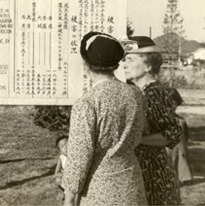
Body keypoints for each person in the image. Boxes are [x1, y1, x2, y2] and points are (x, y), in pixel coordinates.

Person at [61, 31, 147, 206]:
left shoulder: (87, 103)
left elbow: (79, 159)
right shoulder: (136, 94)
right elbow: (138, 135)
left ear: (86, 66)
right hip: (132, 185)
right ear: (115, 65)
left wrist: (69, 199)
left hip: (99, 190)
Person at [122, 36, 183, 205]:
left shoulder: (155, 92)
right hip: (142, 169)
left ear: (148, 66)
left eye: (130, 59)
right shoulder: (137, 92)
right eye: (124, 60)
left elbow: (172, 134)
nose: (124, 64)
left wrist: (137, 140)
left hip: (153, 173)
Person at [166, 87, 193, 184]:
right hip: (167, 148)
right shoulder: (159, 121)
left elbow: (186, 134)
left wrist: (184, 144)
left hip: (180, 147)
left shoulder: (181, 120)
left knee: (181, 159)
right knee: (168, 161)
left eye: (174, 103)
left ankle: (182, 178)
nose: (171, 106)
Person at [54, 135, 68, 200]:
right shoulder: (61, 158)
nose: (66, 147)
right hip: (66, 177)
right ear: (60, 151)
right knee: (58, 180)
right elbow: (56, 173)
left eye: (67, 144)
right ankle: (64, 192)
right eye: (62, 146)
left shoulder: (76, 155)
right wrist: (64, 174)